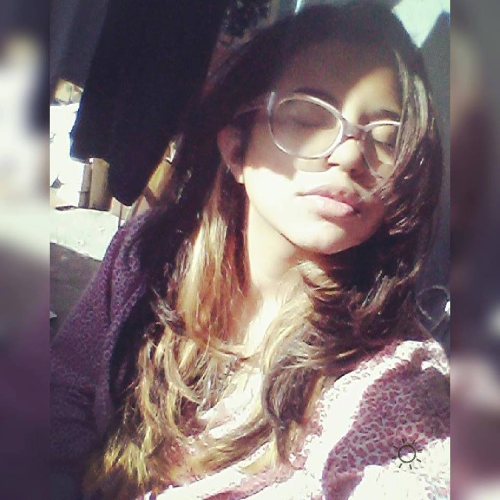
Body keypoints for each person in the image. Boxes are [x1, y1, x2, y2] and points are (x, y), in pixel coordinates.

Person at [50, 2, 450, 499]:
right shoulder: (145, 257)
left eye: (386, 139)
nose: (351, 153)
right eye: (309, 117)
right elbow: (62, 390)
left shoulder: (393, 381)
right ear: (236, 146)